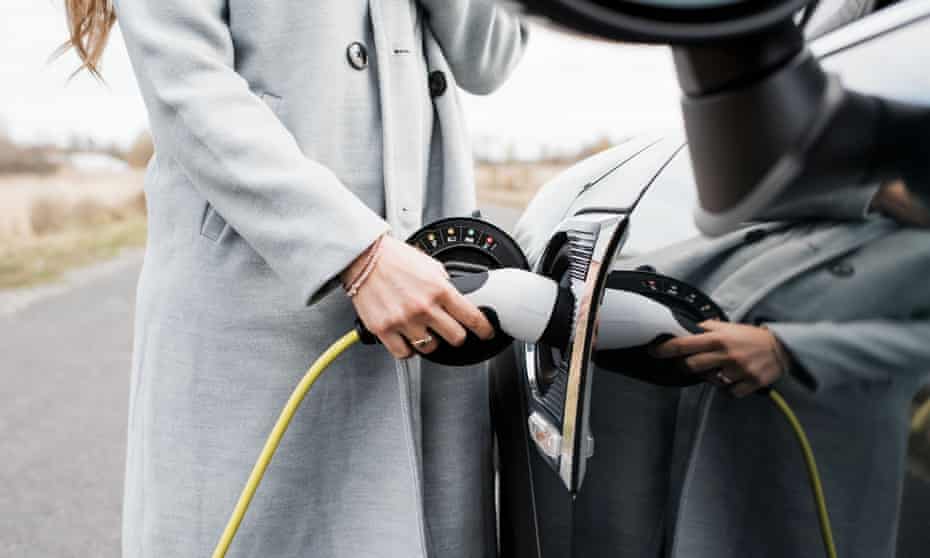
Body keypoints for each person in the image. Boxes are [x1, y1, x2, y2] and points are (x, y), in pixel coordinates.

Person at [62, 1, 526, 556]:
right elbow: (185, 82)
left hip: (425, 295)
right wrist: (357, 253)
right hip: (255, 302)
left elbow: (490, 57)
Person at [565, 179, 930, 558]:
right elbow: (731, 196)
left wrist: (789, 350)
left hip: (818, 417)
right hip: (674, 377)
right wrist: (876, 193)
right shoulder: (870, 167)